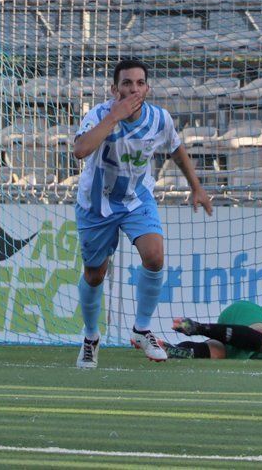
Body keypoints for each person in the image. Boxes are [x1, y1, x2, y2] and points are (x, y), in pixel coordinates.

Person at [73, 59, 213, 368]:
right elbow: (80, 149)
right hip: (97, 204)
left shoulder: (159, 118)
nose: (133, 89)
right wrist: (114, 117)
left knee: (154, 255)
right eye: (126, 83)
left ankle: (141, 329)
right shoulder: (98, 114)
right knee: (95, 274)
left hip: (137, 198)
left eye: (139, 83)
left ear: (147, 88)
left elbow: (176, 148)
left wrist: (197, 187)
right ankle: (91, 336)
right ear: (115, 89)